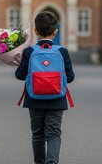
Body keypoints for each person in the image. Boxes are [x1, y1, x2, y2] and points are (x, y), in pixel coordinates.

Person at [15, 11, 75, 164]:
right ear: (56, 31)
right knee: (54, 134)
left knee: (38, 135)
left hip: (34, 99)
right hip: (57, 99)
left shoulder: (29, 52)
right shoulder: (62, 51)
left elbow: (20, 75)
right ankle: (52, 162)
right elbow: (70, 77)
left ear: (35, 31)